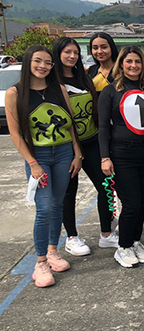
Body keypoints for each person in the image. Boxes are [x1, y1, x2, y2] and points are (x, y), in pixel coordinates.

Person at [6, 45, 83, 287]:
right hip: (37, 156)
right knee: (45, 207)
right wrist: (32, 163)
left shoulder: (58, 89)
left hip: (62, 152)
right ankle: (40, 263)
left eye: (48, 62)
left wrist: (77, 153)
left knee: (58, 203)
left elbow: (70, 124)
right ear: (28, 62)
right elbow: (16, 133)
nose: (43, 66)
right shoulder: (15, 93)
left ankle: (52, 251)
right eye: (38, 61)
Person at [54, 37, 118, 256]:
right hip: (65, 146)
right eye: (67, 52)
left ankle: (107, 234)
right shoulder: (52, 80)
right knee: (68, 192)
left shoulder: (85, 77)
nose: (72, 56)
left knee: (106, 187)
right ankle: (71, 237)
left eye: (75, 52)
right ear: (58, 54)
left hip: (91, 141)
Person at [98, 46, 144, 268]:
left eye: (137, 61)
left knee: (142, 202)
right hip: (122, 153)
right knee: (131, 203)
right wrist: (105, 157)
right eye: (129, 61)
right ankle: (123, 247)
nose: (133, 65)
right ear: (121, 64)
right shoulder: (110, 91)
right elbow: (103, 127)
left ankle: (134, 241)